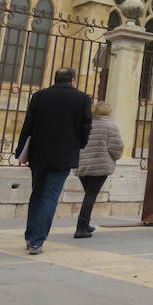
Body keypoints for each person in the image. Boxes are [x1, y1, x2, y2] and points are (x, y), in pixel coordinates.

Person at [15, 67, 92, 254]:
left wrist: (20, 153)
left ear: (55, 79)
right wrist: (79, 145)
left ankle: (30, 236)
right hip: (64, 155)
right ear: (72, 80)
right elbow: (85, 127)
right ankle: (37, 241)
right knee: (50, 197)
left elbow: (28, 125)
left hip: (38, 154)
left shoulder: (40, 96)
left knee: (37, 194)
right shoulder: (82, 99)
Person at [73, 101, 124, 238]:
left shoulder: (87, 124)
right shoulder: (110, 126)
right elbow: (116, 147)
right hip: (100, 165)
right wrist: (115, 157)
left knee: (89, 193)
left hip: (83, 165)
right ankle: (81, 227)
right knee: (90, 195)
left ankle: (86, 223)